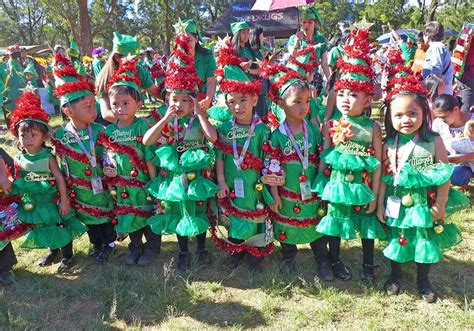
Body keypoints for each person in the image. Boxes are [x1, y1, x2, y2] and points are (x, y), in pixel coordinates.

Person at [377, 69, 469, 303]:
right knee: (398, 237)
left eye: (412, 113)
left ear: (424, 112)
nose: (405, 120)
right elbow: (383, 177)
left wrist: (440, 203)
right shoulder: (389, 142)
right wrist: (380, 206)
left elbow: (445, 175)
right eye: (398, 115)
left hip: (424, 203)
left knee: (423, 239)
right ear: (390, 117)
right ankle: (395, 274)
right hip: (396, 202)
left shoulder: (434, 140)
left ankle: (423, 280)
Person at [313, 28, 384, 283]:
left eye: (353, 95)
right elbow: (325, 153)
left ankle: (368, 263)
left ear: (367, 100)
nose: (345, 100)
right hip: (337, 185)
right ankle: (335, 260)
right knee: (334, 221)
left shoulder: (373, 128)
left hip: (363, 185)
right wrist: (320, 182)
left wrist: (375, 195)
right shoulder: (333, 124)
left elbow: (377, 166)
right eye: (341, 93)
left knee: (366, 223)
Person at [143, 30, 218, 272]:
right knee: (178, 211)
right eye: (174, 99)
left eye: (185, 100)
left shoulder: (198, 118)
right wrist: (164, 119)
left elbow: (213, 138)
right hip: (174, 179)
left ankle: (202, 248)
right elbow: (147, 141)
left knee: (197, 209)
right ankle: (184, 250)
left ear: (193, 100)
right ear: (167, 100)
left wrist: (201, 113)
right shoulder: (163, 118)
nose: (179, 104)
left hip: (196, 178)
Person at [260, 62, 331, 278]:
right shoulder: (277, 136)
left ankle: (322, 258)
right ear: (281, 104)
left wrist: (320, 181)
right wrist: (273, 196)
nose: (304, 107)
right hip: (286, 192)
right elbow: (271, 167)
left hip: (311, 191)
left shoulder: (313, 130)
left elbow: (321, 155)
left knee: (315, 222)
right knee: (286, 223)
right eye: (297, 102)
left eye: (307, 102)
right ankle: (288, 256)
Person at [212, 39, 274, 272]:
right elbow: (219, 155)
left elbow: (268, 158)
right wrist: (220, 180)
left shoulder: (261, 129)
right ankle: (237, 247)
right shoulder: (225, 128)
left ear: (255, 99)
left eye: (243, 100)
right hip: (230, 180)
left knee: (255, 210)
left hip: (255, 185)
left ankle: (256, 250)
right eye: (232, 102)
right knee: (234, 211)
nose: (238, 107)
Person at [9, 91, 87, 272]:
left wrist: (65, 200)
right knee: (43, 225)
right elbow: (19, 180)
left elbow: (60, 179)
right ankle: (53, 250)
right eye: (23, 136)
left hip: (53, 201)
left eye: (33, 135)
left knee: (59, 224)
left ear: (43, 137)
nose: (27, 140)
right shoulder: (19, 158)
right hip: (36, 202)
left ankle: (67, 255)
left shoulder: (48, 157)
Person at [50, 53, 115, 264]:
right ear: (68, 110)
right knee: (89, 218)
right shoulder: (60, 135)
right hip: (78, 190)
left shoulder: (99, 130)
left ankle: (109, 244)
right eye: (87, 106)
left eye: (94, 105)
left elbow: (109, 153)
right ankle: (96, 245)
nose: (93, 109)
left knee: (104, 216)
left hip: (101, 186)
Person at [97, 56, 160, 266]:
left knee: (147, 212)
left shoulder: (142, 127)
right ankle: (135, 247)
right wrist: (109, 172)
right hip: (122, 184)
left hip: (143, 183)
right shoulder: (110, 130)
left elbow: (149, 156)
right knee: (128, 214)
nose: (120, 108)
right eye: (115, 104)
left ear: (138, 104)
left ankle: (152, 247)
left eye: (126, 103)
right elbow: (108, 156)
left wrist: (153, 184)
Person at [95, 32, 160, 123]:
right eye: (133, 60)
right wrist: (134, 123)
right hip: (107, 123)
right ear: (117, 57)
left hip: (127, 119)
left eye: (137, 60)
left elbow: (157, 92)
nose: (135, 63)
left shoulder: (138, 70)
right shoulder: (106, 77)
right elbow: (106, 114)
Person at [173, 19, 216, 112]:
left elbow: (211, 81)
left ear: (196, 39)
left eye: (189, 40)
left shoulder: (207, 56)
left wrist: (208, 100)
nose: (186, 44)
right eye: (182, 40)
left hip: (202, 97)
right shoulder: (174, 59)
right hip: (181, 101)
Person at [431, 94, 474, 187]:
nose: (440, 120)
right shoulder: (438, 124)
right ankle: (463, 182)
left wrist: (462, 158)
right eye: (437, 117)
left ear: (456, 110)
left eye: (443, 117)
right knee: (454, 176)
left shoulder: (472, 123)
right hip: (457, 165)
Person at [231, 21, 267, 117]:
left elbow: (261, 70)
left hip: (255, 90)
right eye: (243, 32)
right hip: (239, 92)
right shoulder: (230, 52)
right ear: (237, 34)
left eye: (248, 32)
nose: (246, 35)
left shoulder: (252, 51)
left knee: (260, 117)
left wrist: (248, 70)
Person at [287, 6, 330, 81]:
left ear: (315, 23)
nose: (306, 25)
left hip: (314, 77)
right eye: (304, 22)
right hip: (296, 77)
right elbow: (292, 55)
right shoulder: (293, 38)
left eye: (310, 22)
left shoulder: (321, 39)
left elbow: (324, 63)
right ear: (301, 22)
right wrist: (297, 41)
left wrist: (330, 81)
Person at [422, 21, 454, 94]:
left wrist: (428, 85)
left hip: (438, 89)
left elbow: (436, 68)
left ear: (428, 36)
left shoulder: (436, 47)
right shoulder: (439, 46)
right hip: (441, 87)